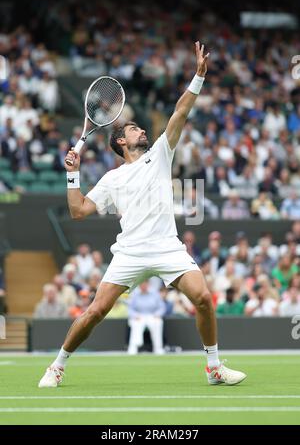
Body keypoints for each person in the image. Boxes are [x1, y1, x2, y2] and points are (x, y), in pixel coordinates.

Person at [39, 42, 246, 388]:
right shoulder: (111, 179)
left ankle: (213, 367)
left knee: (204, 299)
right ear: (120, 141)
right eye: (134, 129)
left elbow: (179, 113)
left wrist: (197, 77)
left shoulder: (160, 154)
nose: (142, 131)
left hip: (167, 246)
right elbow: (77, 211)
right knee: (94, 313)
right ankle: (57, 366)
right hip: (131, 251)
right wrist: (72, 174)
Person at [127, 281, 165, 355]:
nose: (143, 285)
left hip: (152, 316)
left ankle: (158, 348)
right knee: (136, 324)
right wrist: (135, 315)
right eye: (142, 284)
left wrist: (157, 314)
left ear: (148, 284)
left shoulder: (154, 293)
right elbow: (130, 309)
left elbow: (162, 307)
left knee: (158, 322)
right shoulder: (134, 293)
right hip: (139, 316)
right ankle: (133, 348)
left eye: (145, 283)